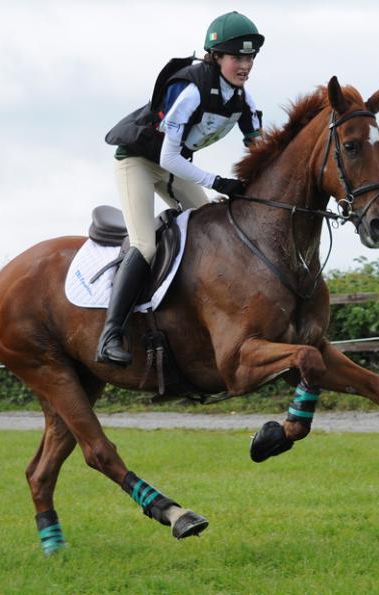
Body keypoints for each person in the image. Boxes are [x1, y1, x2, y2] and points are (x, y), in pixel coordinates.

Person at [96, 11, 265, 366]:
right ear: (216, 57)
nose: (245, 65)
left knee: (208, 231)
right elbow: (168, 156)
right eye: (238, 57)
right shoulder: (190, 89)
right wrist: (217, 182)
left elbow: (262, 152)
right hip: (139, 163)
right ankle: (111, 333)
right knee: (144, 244)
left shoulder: (242, 100)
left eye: (249, 57)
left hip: (174, 166)